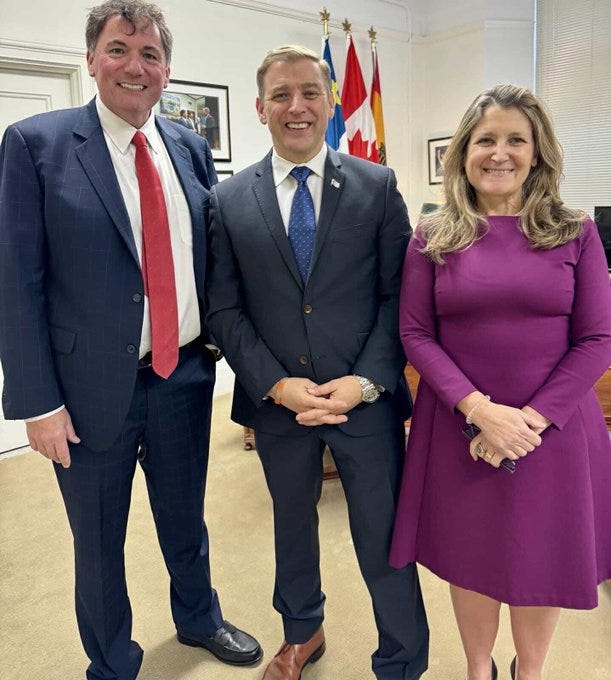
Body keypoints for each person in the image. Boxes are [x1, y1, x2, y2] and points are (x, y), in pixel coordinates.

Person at [0, 1, 261, 679]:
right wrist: (36, 403)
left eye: (149, 54)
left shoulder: (189, 147)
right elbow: (16, 282)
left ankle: (199, 618)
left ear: (167, 70)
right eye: (118, 49)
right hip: (86, 394)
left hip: (182, 378)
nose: (133, 66)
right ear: (90, 60)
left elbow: (208, 259)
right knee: (98, 540)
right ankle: (112, 660)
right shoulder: (36, 144)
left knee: (186, 518)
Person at [206, 45, 429, 680]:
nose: (296, 106)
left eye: (310, 93)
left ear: (330, 105)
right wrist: (277, 384)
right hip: (279, 407)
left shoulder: (377, 187)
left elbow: (399, 297)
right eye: (281, 95)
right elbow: (224, 310)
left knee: (384, 536)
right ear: (259, 107)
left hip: (365, 398)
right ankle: (302, 632)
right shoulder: (226, 200)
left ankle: (402, 657)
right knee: (291, 528)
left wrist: (364, 382)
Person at [389, 84, 611, 680]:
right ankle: (478, 668)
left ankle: (529, 672)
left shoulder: (575, 232)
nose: (500, 152)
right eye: (485, 139)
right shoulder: (431, 237)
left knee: (542, 558)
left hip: (554, 430)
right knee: (473, 556)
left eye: (517, 139)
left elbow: (598, 339)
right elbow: (415, 333)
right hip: (460, 425)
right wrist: (481, 412)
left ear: (537, 153)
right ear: (463, 152)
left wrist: (527, 422)